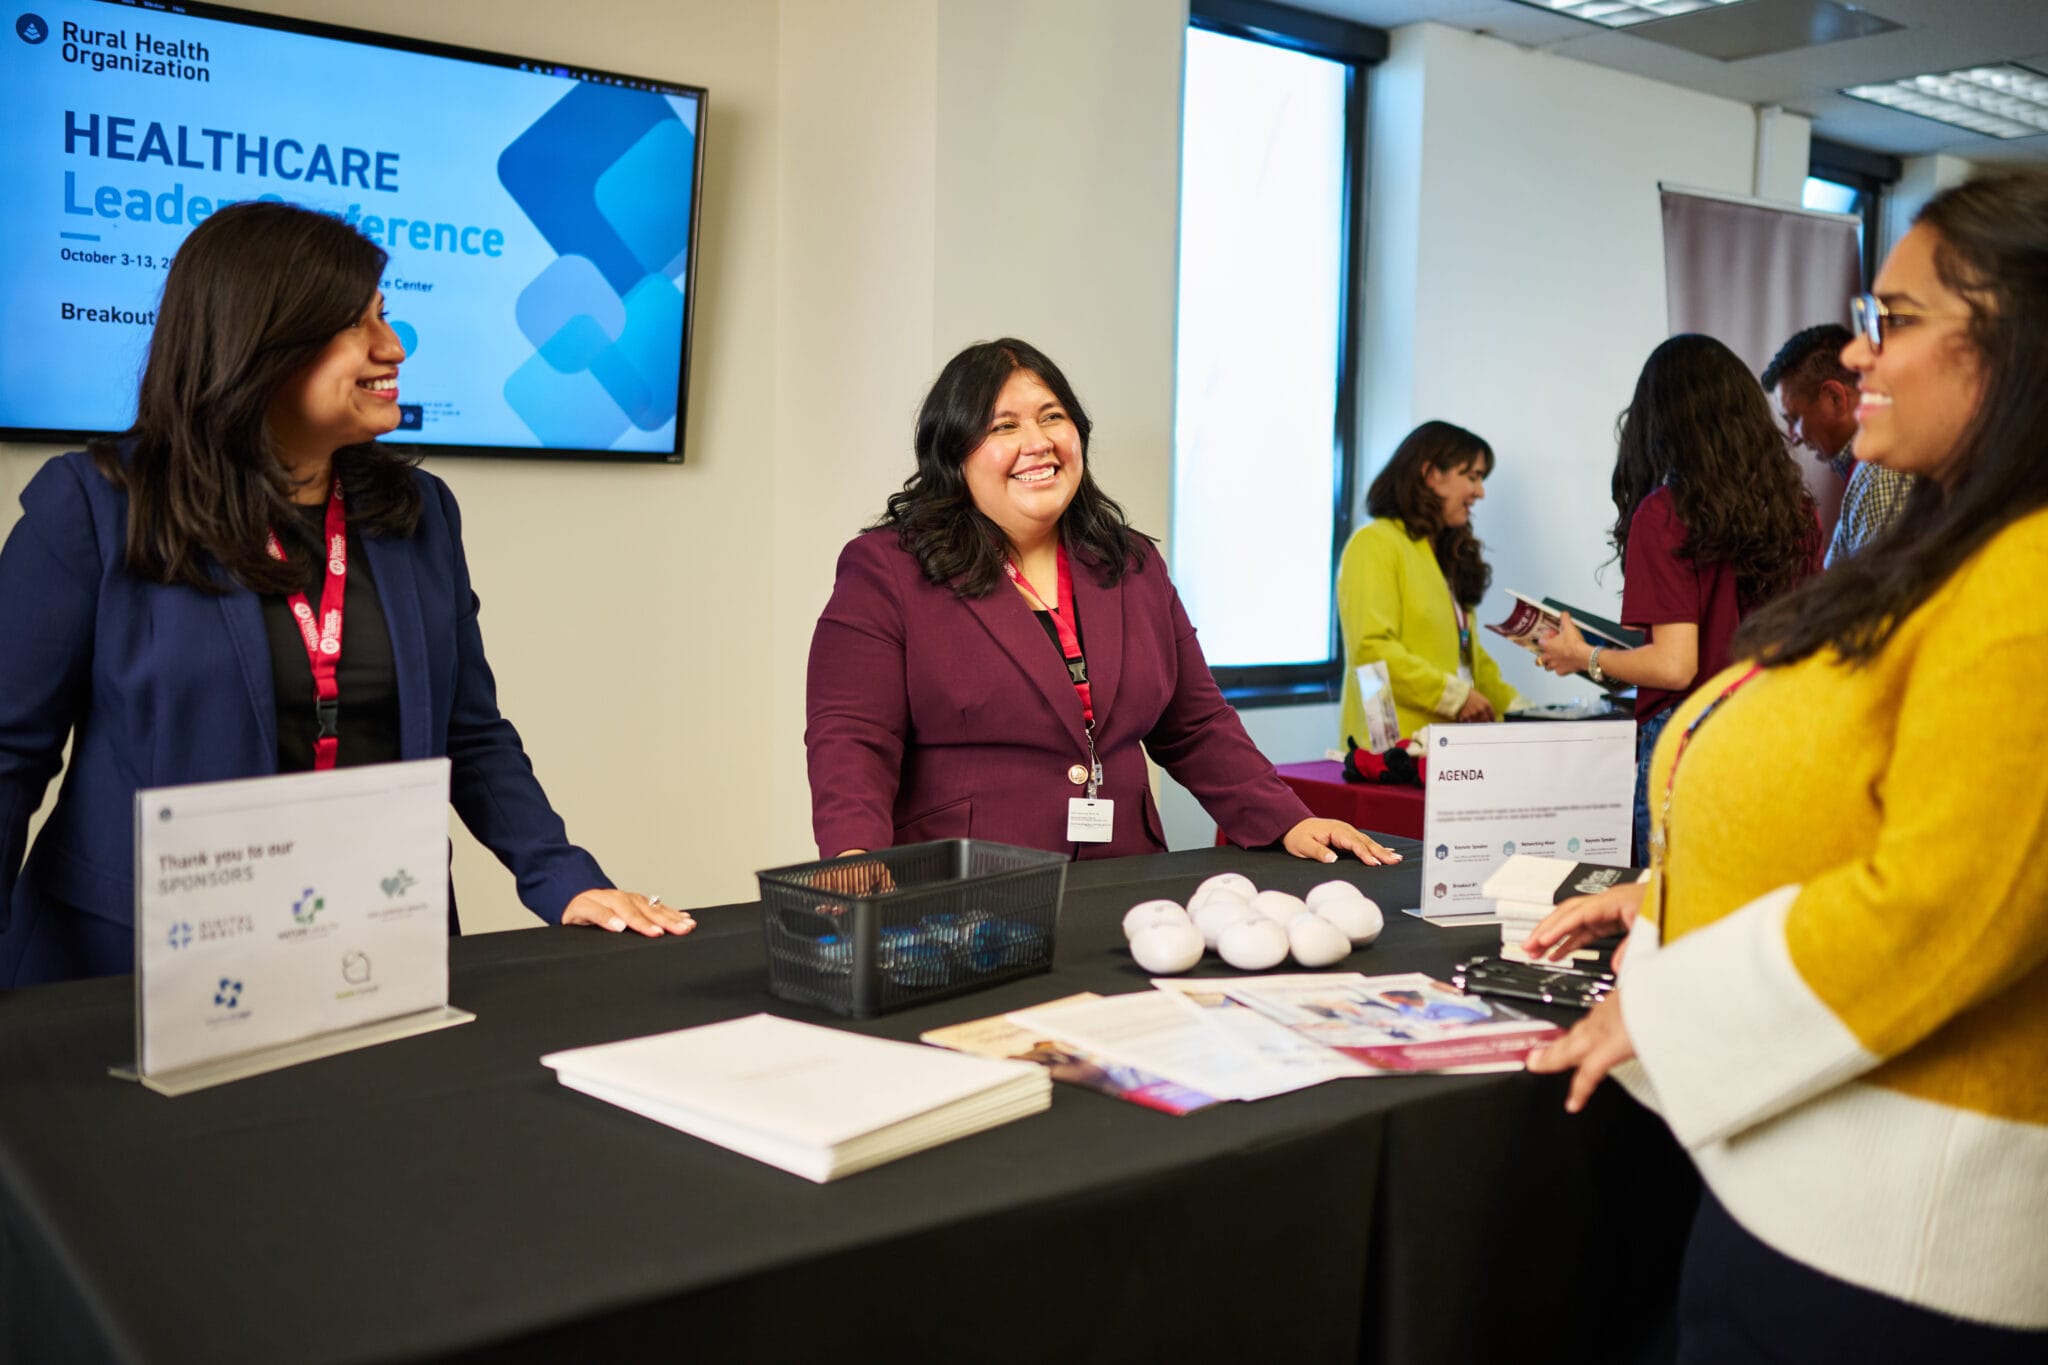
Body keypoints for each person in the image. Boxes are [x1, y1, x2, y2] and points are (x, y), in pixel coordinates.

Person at [1526, 171, 2048, 1358]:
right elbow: (1871, 812)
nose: (1856, 359)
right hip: (1812, 1200)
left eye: (1896, 321)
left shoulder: (2028, 579)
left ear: (2017, 351)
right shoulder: (1933, 543)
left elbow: (1951, 904)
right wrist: (1661, 896)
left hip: (1899, 1246)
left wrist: (1666, 1000)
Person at [0, 201, 691, 988]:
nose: (392, 347)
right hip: (131, 974)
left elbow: (472, 732)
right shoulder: (97, 506)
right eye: (356, 325)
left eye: (385, 318)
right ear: (261, 341)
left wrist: (562, 876)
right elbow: (7, 754)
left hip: (370, 952)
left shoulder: (419, 514)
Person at [805, 338, 1397, 866]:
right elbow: (852, 734)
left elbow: (1196, 725)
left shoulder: (1132, 562)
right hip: (969, 891)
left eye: (1052, 417)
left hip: (1124, 877)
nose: (1037, 443)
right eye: (1003, 426)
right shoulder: (889, 568)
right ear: (955, 454)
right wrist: (854, 855)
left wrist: (1289, 819)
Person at [1536, 334, 1821, 862]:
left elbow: (1674, 667)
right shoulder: (1798, 514)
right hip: (1775, 731)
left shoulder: (1664, 514)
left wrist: (1586, 657)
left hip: (1691, 743)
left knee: (1669, 919)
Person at [1335, 421, 1519, 748]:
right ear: (1432, 474)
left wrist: (1527, 713)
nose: (1480, 492)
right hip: (1392, 751)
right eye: (1472, 477)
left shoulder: (1441, 554)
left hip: (1445, 750)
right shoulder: (1374, 543)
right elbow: (1372, 652)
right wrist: (1455, 697)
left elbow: (1468, 658)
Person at [1761, 322, 1915, 566]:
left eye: (1794, 419)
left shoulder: (1880, 476)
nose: (1793, 436)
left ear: (1834, 398)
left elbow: (1878, 598)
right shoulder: (1868, 472)